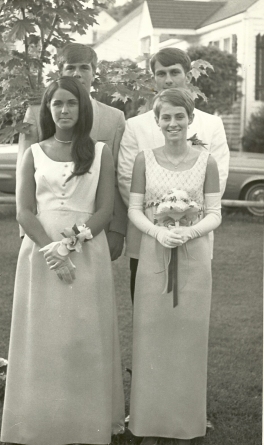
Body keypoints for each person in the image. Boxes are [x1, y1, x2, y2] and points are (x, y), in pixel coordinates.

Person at [1, 76, 125, 445]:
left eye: (71, 103)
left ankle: (83, 429)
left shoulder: (100, 152)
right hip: (40, 253)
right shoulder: (33, 153)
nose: (64, 110)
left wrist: (69, 246)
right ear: (48, 109)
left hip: (86, 250)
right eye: (57, 104)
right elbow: (24, 211)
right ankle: (38, 424)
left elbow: (105, 209)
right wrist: (50, 251)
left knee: (82, 338)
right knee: (42, 336)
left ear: (82, 108)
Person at [127, 88, 222, 445]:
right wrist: (157, 232)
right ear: (157, 121)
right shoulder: (144, 160)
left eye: (179, 116)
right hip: (155, 253)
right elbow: (136, 209)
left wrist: (189, 231)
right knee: (152, 340)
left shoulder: (206, 161)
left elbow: (214, 213)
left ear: (190, 118)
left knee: (188, 341)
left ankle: (185, 428)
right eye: (165, 117)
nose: (172, 123)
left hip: (194, 256)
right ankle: (150, 424)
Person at [118, 47, 229, 301]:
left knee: (189, 310)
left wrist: (187, 221)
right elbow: (127, 179)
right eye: (161, 73)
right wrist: (159, 224)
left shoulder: (211, 124)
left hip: (195, 232)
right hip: (147, 235)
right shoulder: (135, 126)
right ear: (153, 78)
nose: (168, 79)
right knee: (149, 309)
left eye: (175, 72)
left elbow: (218, 176)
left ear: (188, 76)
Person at [18, 42, 127, 261]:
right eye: (70, 67)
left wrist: (117, 228)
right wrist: (26, 232)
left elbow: (117, 178)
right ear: (60, 72)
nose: (77, 74)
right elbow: (24, 175)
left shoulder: (114, 118)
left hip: (94, 228)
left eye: (84, 68)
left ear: (94, 73)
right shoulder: (37, 113)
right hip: (43, 231)